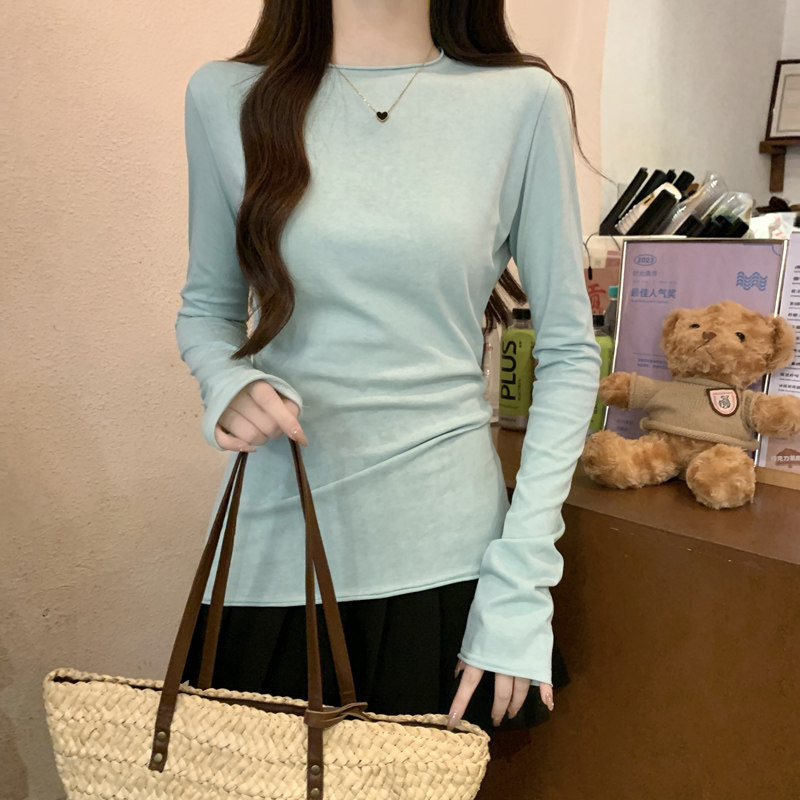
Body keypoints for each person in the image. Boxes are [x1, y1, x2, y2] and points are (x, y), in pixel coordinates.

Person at [177, 0, 601, 735]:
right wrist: (229, 383)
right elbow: (208, 311)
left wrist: (522, 581)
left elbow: (567, 351)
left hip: (449, 554)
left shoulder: (522, 102)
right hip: (278, 544)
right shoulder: (225, 96)